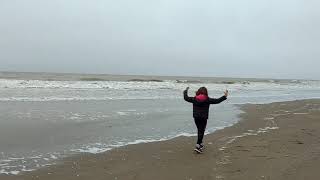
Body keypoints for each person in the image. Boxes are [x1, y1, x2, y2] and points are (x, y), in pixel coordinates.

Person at [183, 87, 228, 153]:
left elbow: (186, 98)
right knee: (201, 130)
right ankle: (198, 146)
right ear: (206, 92)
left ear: (198, 92)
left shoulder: (194, 99)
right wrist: (225, 96)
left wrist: (185, 91)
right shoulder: (207, 99)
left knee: (199, 130)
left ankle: (200, 143)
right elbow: (217, 101)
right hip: (204, 117)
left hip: (196, 117)